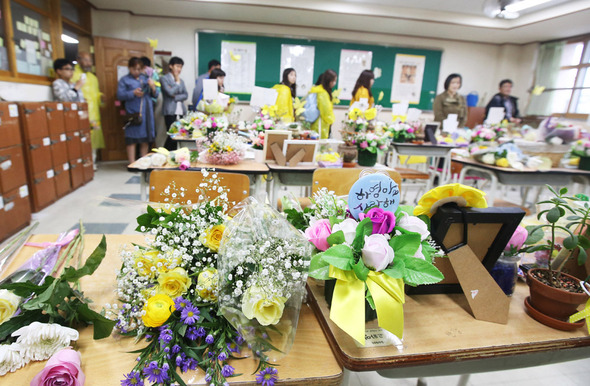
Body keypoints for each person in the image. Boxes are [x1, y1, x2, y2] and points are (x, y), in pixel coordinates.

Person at [117, 57, 159, 164]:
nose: (137, 71)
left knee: (145, 139)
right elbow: (120, 95)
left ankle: (143, 162)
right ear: (129, 68)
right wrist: (132, 93)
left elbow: (155, 95)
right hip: (133, 113)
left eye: (139, 69)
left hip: (146, 113)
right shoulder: (124, 80)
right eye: (134, 69)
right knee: (131, 140)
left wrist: (153, 87)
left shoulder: (145, 78)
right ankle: (132, 163)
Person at [71, 52, 105, 165]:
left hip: (94, 114)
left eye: (90, 61)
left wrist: (101, 97)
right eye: (85, 60)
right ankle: (81, 164)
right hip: (79, 114)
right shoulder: (73, 75)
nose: (88, 63)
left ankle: (92, 162)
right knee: (80, 138)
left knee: (93, 139)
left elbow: (96, 94)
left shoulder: (93, 78)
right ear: (78, 60)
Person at [161, 56, 188, 150]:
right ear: (171, 66)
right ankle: (164, 153)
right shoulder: (164, 79)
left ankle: (173, 154)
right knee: (172, 135)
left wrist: (175, 97)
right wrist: (176, 83)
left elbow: (185, 95)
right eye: (177, 66)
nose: (179, 69)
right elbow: (169, 92)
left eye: (180, 67)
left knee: (180, 134)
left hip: (181, 111)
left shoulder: (182, 81)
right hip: (170, 111)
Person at [309, 69, 337, 139]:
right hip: (320, 125)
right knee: (320, 146)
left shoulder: (318, 90)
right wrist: (331, 120)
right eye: (334, 81)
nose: (334, 83)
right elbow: (326, 111)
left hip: (315, 123)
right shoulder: (323, 93)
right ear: (329, 81)